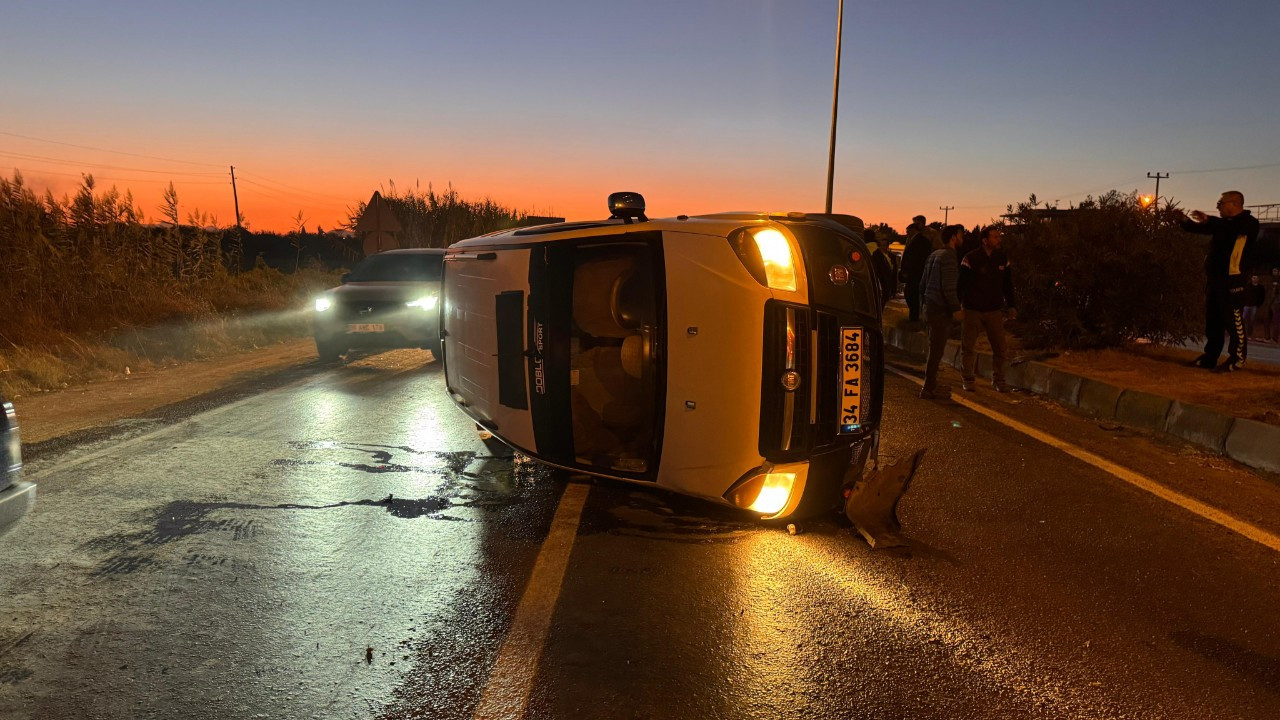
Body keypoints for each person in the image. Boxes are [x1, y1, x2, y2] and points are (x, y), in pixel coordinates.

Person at [1180, 190, 1259, 372]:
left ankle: (1237, 359)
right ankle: (1210, 357)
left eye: (1221, 203)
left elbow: (1229, 228)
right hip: (1215, 280)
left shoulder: (1249, 224)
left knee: (1233, 321)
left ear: (1234, 204)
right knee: (1213, 321)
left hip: (1234, 281)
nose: (1218, 206)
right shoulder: (1222, 224)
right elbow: (1201, 228)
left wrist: (1210, 220)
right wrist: (1184, 221)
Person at [958, 226, 1016, 392]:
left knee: (1000, 348)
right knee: (968, 347)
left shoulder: (1002, 258)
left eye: (999, 236)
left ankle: (998, 380)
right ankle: (968, 379)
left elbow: (1008, 284)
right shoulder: (971, 258)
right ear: (985, 240)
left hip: (994, 310)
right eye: (995, 237)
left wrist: (1012, 305)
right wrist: (959, 306)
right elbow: (961, 284)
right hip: (972, 309)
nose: (999, 239)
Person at [918, 225, 965, 399]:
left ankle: (931, 385)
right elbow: (948, 287)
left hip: (930, 307)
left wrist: (923, 305)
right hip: (940, 309)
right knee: (937, 350)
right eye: (961, 235)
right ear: (953, 237)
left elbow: (922, 284)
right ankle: (929, 387)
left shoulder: (934, 255)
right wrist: (956, 309)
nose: (963, 238)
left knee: (934, 348)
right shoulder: (949, 257)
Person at [900, 215, 932, 321]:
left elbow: (914, 260)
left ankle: (914, 319)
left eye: (907, 231)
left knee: (912, 296)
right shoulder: (916, 240)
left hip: (915, 275)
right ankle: (913, 319)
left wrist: (908, 272)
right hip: (914, 275)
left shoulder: (920, 241)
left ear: (913, 230)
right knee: (911, 297)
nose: (906, 233)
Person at [865, 227, 897, 308]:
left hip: (870, 288)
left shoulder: (864, 250)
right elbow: (892, 270)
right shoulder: (881, 253)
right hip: (883, 289)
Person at [1242, 274, 1263, 339]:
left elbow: (1262, 297)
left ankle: (1249, 335)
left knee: (1251, 321)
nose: (1255, 279)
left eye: (1256, 278)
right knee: (1242, 320)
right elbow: (1243, 294)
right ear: (1251, 279)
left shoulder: (1260, 287)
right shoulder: (1247, 286)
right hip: (1246, 305)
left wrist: (1258, 304)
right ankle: (1239, 334)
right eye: (1253, 278)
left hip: (1254, 306)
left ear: (1258, 279)